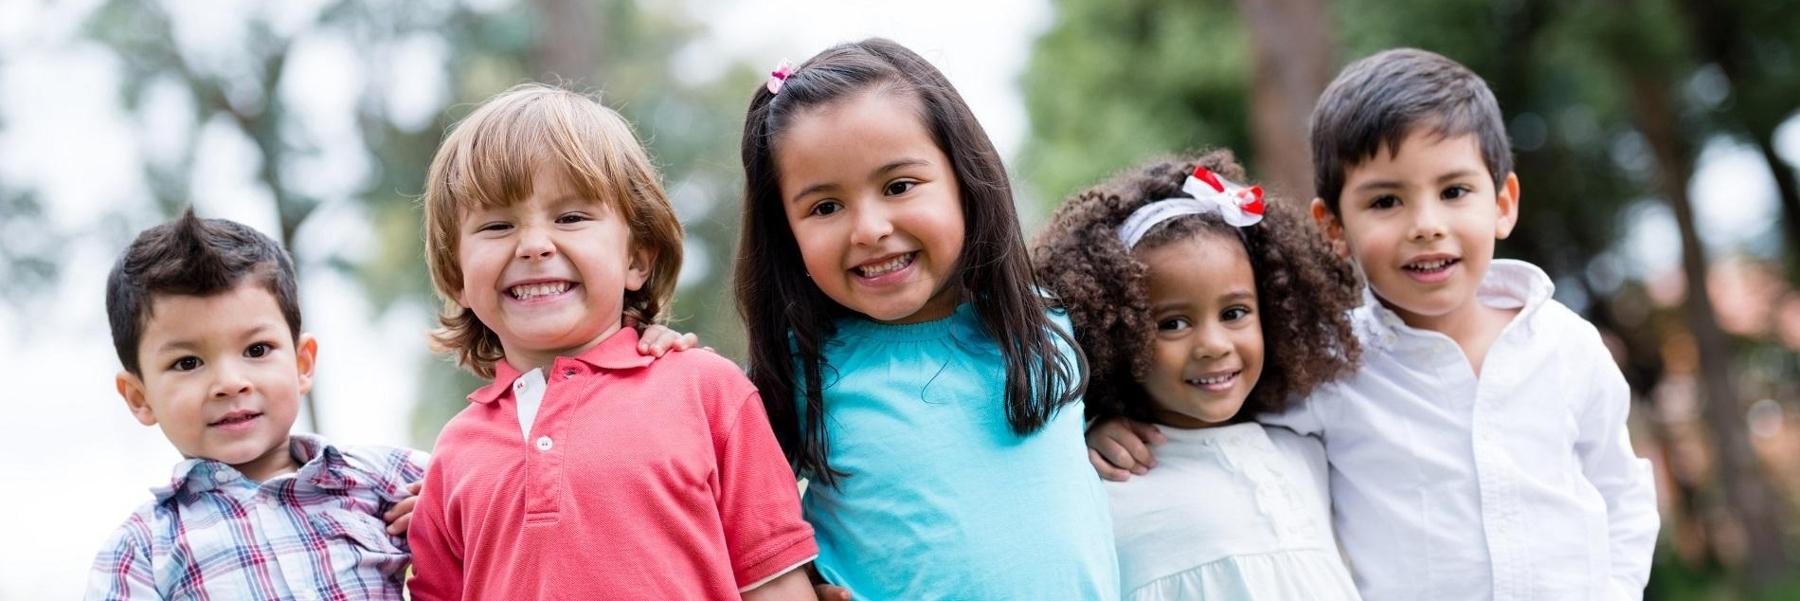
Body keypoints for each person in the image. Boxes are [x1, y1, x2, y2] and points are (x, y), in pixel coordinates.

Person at [1086, 48, 1660, 600]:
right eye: (1386, 202)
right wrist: (1109, 421)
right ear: (1334, 227)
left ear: (1503, 203)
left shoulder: (1567, 346)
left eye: (1454, 191)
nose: (1426, 225)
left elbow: (1621, 492)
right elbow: (1209, 397)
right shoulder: (1331, 363)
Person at [732, 38, 1118, 599]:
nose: (868, 228)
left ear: (965, 179)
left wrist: (1108, 427)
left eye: (899, 186)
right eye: (825, 207)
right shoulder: (798, 367)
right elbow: (735, 518)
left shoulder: (1047, 322)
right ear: (785, 233)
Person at [406, 83, 819, 600]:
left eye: (571, 218)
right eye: (496, 225)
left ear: (637, 258)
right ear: (457, 277)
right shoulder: (454, 453)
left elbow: (774, 583)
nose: (534, 245)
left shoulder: (708, 392)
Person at [1035, 151, 1364, 600]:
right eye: (1172, 323)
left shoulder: (1304, 445)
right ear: (1117, 335)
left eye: (1234, 313)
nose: (1213, 344)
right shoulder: (1107, 485)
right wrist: (1084, 439)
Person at [89, 209, 427, 600]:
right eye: (187, 362)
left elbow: (501, 506)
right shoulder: (141, 554)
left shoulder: (387, 480)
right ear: (140, 397)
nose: (231, 383)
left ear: (302, 364)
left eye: (257, 349)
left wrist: (455, 516)